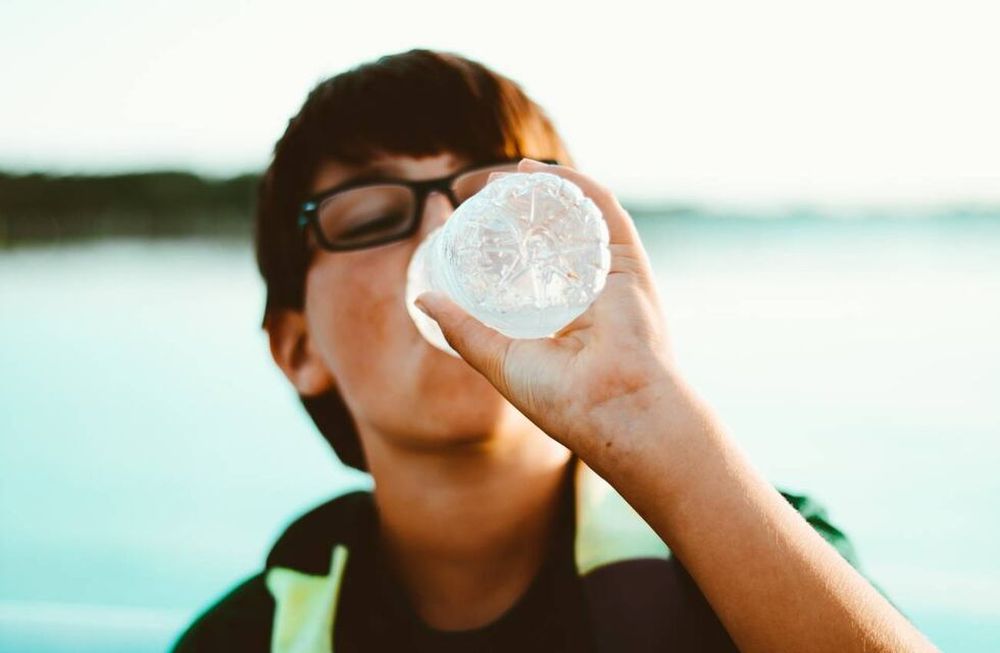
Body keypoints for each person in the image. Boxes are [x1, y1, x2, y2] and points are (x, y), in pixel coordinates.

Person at [170, 49, 937, 652]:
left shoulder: (755, 557)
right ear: (298, 345)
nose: (451, 236)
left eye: (498, 202)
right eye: (372, 214)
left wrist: (647, 412)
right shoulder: (241, 639)